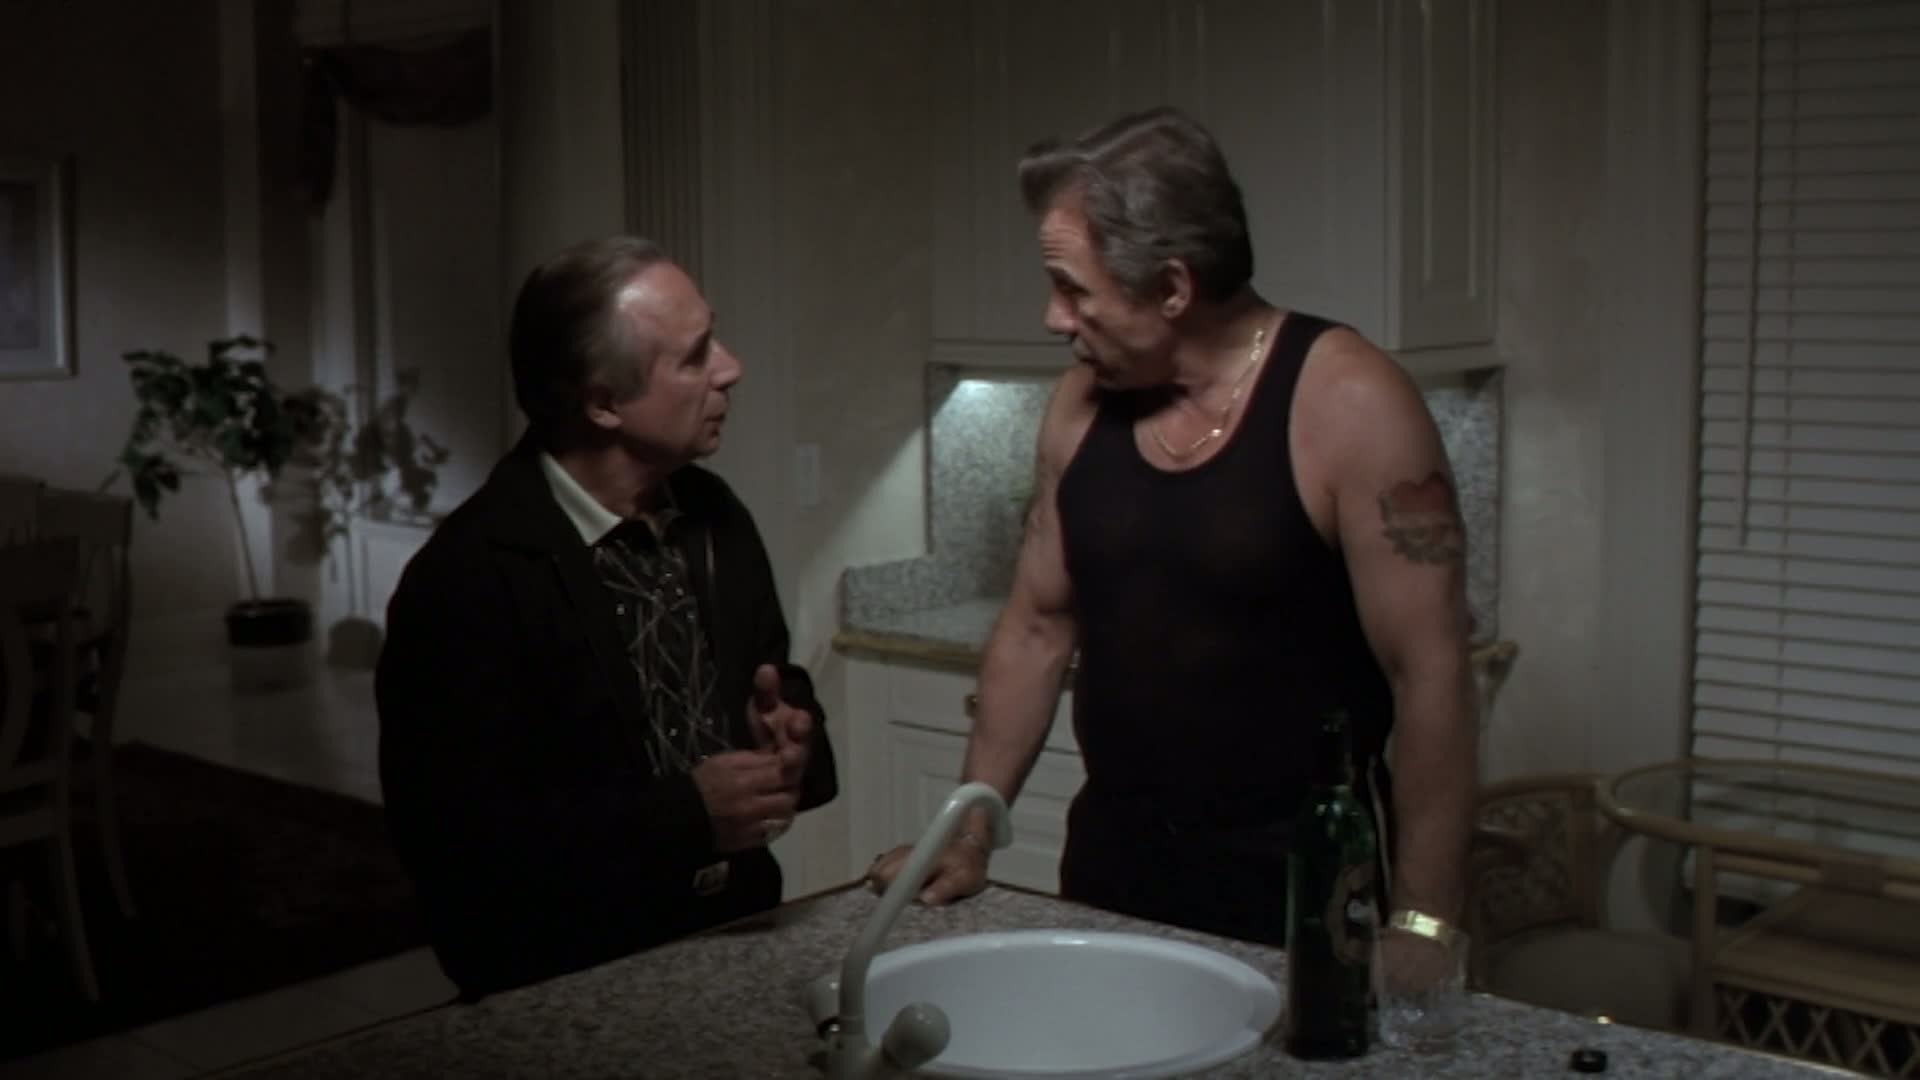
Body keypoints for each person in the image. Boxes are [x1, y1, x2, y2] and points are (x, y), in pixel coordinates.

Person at [868, 107, 1477, 947]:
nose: (1054, 317)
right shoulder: (1081, 404)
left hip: (1300, 869)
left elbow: (1432, 675)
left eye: (1073, 288)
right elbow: (1037, 627)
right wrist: (968, 831)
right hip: (1115, 858)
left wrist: (1424, 924)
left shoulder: (1350, 402)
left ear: (1172, 288)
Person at [376, 236, 837, 997]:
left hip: (739, 937)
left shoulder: (714, 518)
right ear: (603, 403)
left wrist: (788, 738)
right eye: (695, 356)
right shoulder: (469, 578)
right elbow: (456, 846)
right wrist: (688, 814)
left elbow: (774, 682)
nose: (730, 368)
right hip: (566, 985)